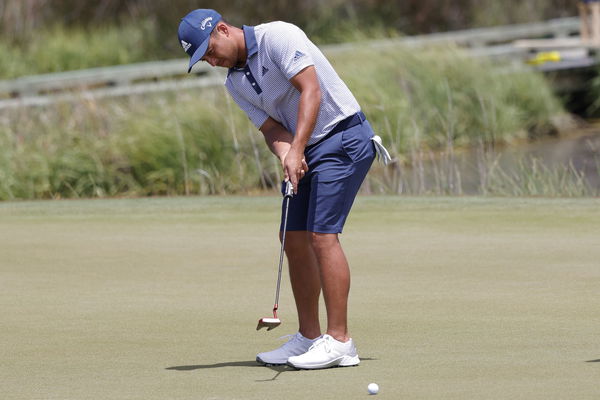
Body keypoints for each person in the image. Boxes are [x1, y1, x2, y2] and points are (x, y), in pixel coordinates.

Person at [178, 9, 389, 370]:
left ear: (224, 29)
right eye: (204, 60)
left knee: (322, 237)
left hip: (343, 137)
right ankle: (308, 337)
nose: (212, 62)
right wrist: (287, 153)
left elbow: (311, 91)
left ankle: (340, 342)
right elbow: (271, 129)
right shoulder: (234, 83)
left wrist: (298, 149)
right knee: (292, 237)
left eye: (210, 51)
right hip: (307, 148)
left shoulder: (278, 36)